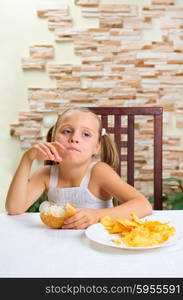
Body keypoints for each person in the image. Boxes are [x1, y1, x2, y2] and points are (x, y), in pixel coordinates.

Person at [5, 107, 152, 229]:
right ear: (53, 139)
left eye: (86, 134)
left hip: (97, 245)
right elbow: (14, 208)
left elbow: (143, 205)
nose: (74, 138)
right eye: (67, 131)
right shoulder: (46, 174)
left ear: (97, 147)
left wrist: (97, 216)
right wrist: (27, 159)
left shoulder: (99, 172)